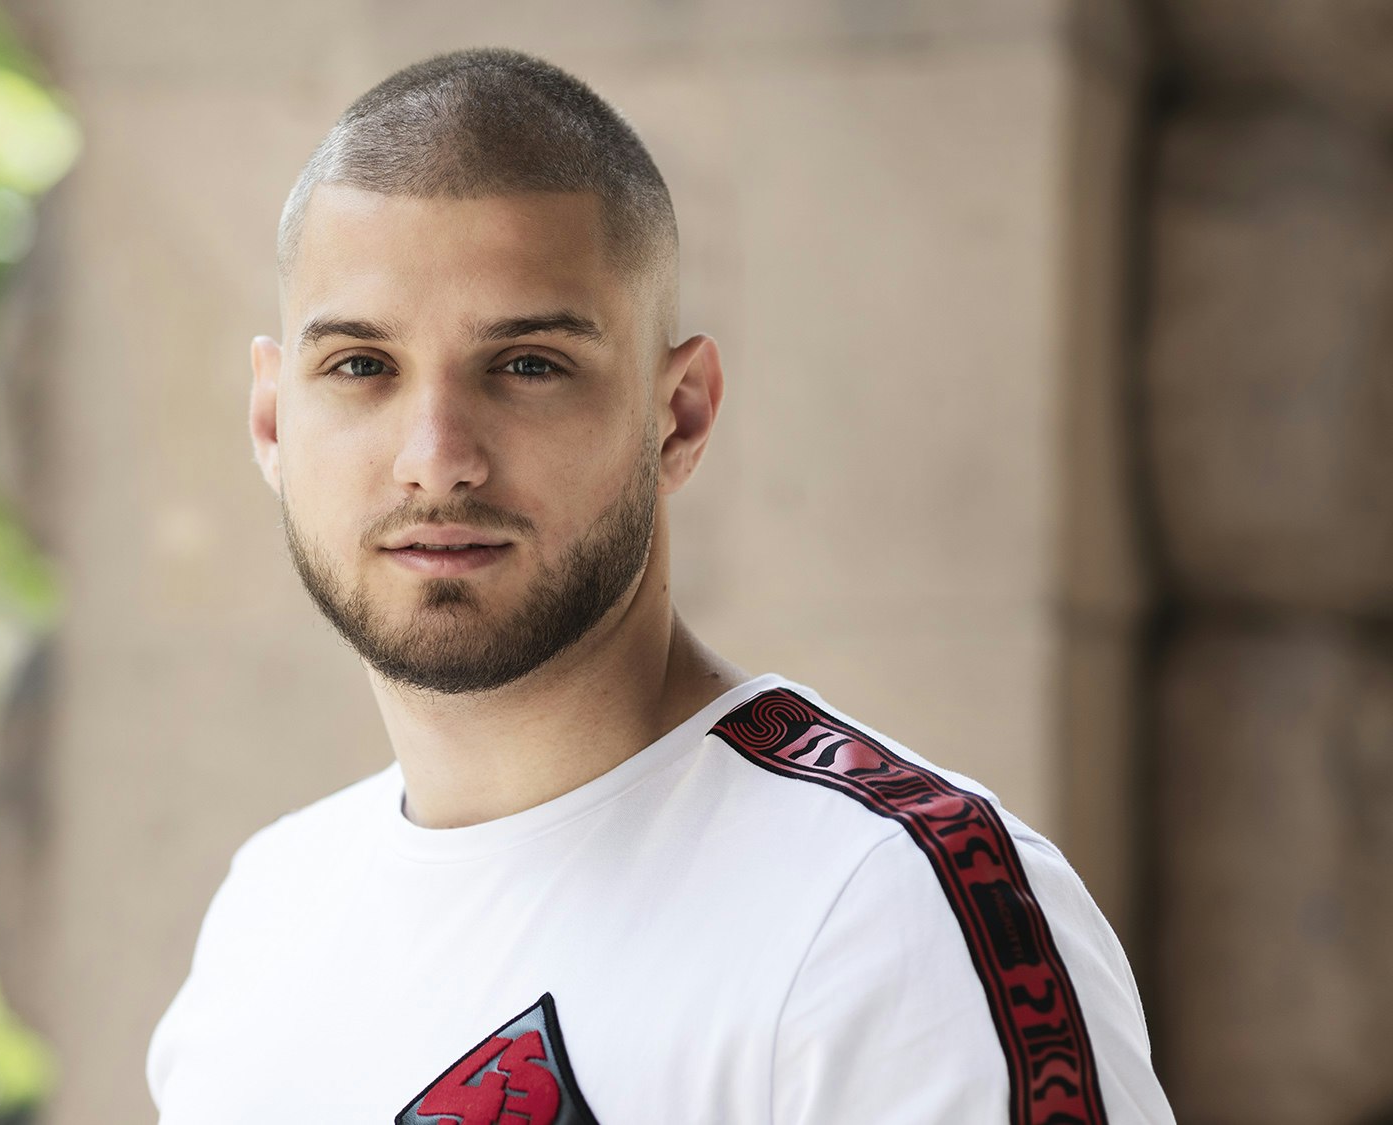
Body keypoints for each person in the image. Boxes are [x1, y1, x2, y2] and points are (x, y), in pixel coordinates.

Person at [145, 46, 1176, 1125]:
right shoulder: (268, 913)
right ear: (271, 420)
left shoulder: (894, 906)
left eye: (528, 364)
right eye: (360, 366)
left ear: (676, 416)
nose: (434, 454)